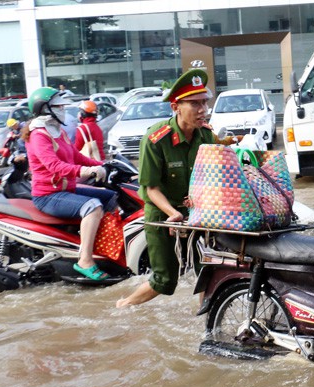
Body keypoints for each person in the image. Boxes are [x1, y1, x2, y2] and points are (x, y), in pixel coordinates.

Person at [116, 69, 217, 308]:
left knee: (210, 271)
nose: (202, 109)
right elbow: (150, 188)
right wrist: (173, 212)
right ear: (176, 107)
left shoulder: (207, 136)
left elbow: (213, 178)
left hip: (196, 214)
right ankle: (123, 307)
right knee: (164, 280)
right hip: (163, 216)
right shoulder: (156, 139)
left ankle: (207, 326)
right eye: (194, 103)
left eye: (204, 102)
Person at [24, 87, 117, 281]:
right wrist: (85, 171)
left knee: (114, 197)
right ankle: (85, 260)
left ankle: (106, 247)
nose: (63, 109)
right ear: (44, 109)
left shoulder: (58, 131)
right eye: (58, 106)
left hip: (67, 189)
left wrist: (104, 165)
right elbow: (54, 166)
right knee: (93, 206)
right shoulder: (38, 135)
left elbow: (76, 156)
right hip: (47, 195)